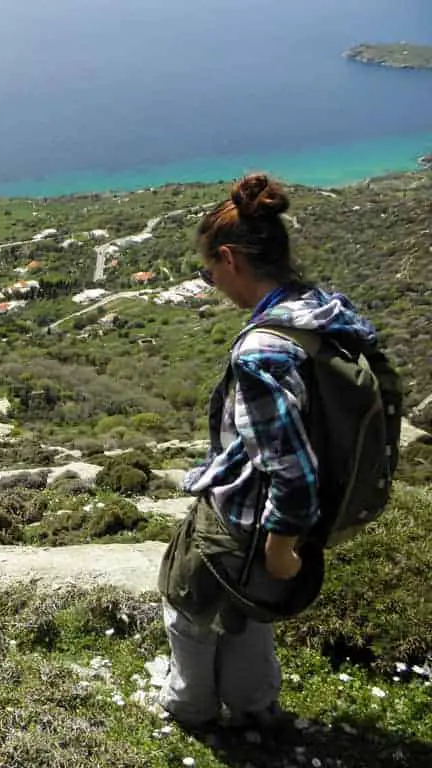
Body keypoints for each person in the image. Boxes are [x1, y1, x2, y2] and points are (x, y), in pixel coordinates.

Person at [156, 173, 380, 729]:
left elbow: (290, 468)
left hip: (248, 518)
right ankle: (254, 707)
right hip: (306, 512)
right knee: (250, 610)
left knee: (187, 604)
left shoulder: (262, 351)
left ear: (230, 259)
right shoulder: (320, 311)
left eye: (210, 273)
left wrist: (281, 546)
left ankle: (191, 709)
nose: (211, 283)